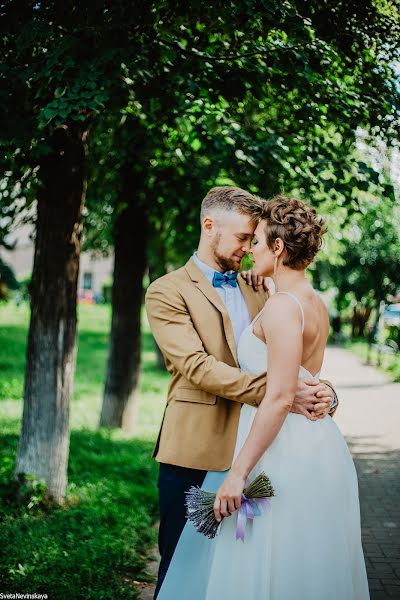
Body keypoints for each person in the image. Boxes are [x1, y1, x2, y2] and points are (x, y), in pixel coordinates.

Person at [157, 194, 369, 600]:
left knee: (265, 563)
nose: (248, 247)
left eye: (255, 239)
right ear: (209, 227)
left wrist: (323, 394)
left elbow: (299, 372)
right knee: (180, 564)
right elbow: (199, 367)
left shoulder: (270, 293)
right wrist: (284, 392)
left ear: (277, 246)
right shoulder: (168, 290)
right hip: (201, 446)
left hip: (270, 451)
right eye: (243, 237)